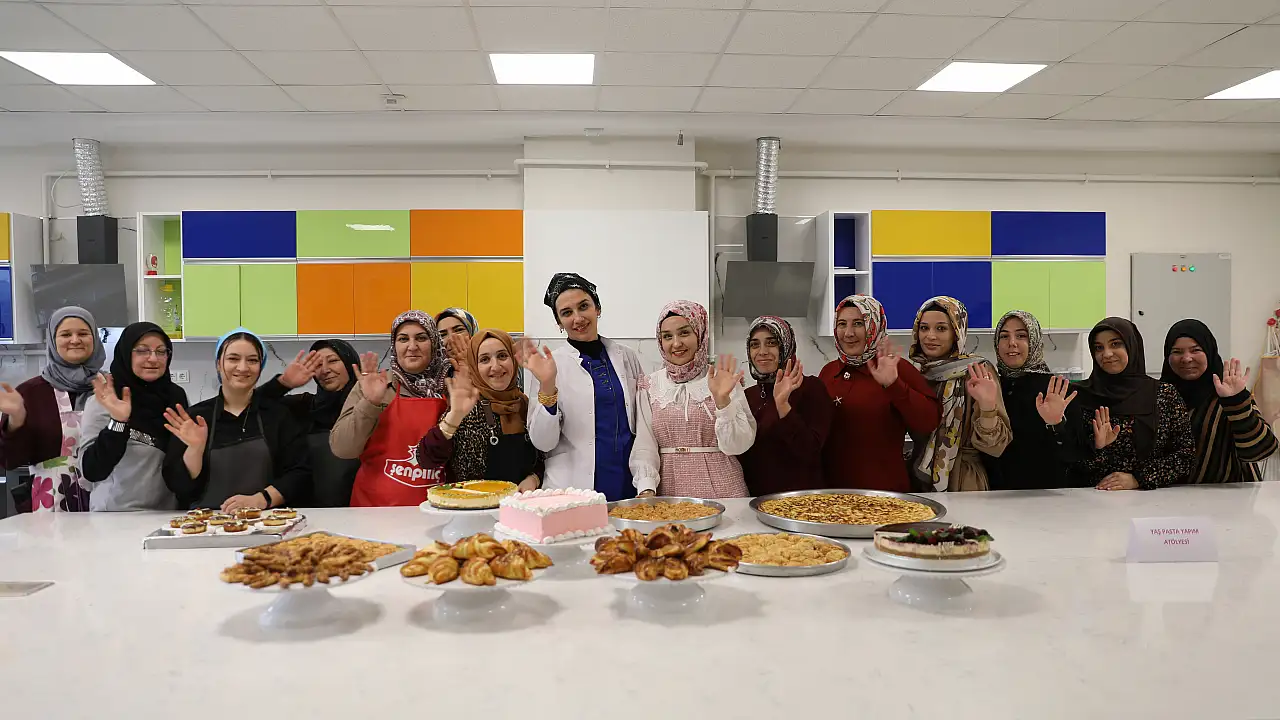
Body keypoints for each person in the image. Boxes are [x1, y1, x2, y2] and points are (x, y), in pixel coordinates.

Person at [521, 273, 644, 501]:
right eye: (566, 313)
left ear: (597, 308)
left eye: (584, 306)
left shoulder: (627, 357)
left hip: (626, 482)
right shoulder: (551, 365)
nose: (577, 318)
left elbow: (642, 423)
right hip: (571, 487)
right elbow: (543, 442)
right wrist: (548, 385)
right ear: (559, 323)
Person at [163, 329, 310, 511]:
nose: (243, 367)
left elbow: (299, 473)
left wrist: (261, 499)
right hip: (207, 522)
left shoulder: (278, 415)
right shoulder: (195, 418)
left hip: (266, 519)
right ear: (218, 364)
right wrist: (195, 449)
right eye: (233, 358)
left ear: (261, 366)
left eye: (252, 360)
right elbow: (178, 486)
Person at [630, 301, 755, 498]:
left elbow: (739, 446)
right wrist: (646, 487)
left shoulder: (723, 379)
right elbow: (645, 445)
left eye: (684, 333)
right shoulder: (650, 385)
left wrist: (722, 401)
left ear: (700, 334)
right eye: (667, 336)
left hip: (725, 489)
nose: (676, 343)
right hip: (669, 489)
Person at [821, 295, 940, 493]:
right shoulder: (828, 372)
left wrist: (894, 385)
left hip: (884, 495)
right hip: (832, 495)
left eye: (858, 323)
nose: (848, 333)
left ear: (874, 326)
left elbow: (928, 422)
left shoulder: (897, 368)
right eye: (842, 324)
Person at [331, 311, 450, 506]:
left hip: (438, 509)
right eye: (403, 339)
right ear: (394, 346)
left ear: (435, 343)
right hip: (374, 510)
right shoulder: (375, 385)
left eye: (421, 338)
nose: (412, 346)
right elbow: (343, 449)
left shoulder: (451, 388)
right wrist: (370, 403)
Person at [0, 306, 105, 513]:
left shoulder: (113, 389)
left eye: (83, 333)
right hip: (52, 506)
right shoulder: (30, 393)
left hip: (107, 501)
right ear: (52, 340)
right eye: (65, 334)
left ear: (94, 338)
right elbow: (8, 461)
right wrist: (16, 420)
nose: (75, 340)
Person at [1074, 317, 1195, 491]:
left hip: (1152, 500)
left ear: (1132, 346)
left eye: (1115, 344)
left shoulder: (1163, 394)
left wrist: (1139, 478)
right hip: (1090, 498)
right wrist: (1097, 448)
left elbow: (1186, 456)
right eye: (1099, 347)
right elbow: (1068, 462)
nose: (1106, 354)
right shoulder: (1079, 395)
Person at [77, 322, 188, 511]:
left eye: (161, 351)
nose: (153, 358)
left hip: (167, 515)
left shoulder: (176, 397)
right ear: (126, 353)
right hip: (115, 516)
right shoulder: (106, 400)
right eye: (142, 351)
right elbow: (91, 471)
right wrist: (118, 422)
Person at [908, 296, 1011, 492]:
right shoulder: (917, 375)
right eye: (924, 328)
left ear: (956, 332)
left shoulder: (977, 371)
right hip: (920, 478)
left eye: (941, 328)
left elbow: (995, 446)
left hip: (963, 482)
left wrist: (988, 408)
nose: (930, 336)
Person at [419, 329, 543, 489]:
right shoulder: (466, 405)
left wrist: (535, 478)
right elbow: (426, 460)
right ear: (474, 366)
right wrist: (454, 416)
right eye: (484, 359)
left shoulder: (525, 405)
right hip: (470, 503)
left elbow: (543, 457)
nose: (495, 366)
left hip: (518, 502)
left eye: (502, 356)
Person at [1161, 319, 1278, 483]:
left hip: (1229, 494)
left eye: (1196, 350)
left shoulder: (1228, 393)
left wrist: (1236, 403)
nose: (1186, 358)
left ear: (1209, 352)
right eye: (1177, 352)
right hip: (1170, 495)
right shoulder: (1159, 396)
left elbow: (1261, 451)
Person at [983, 310, 1087, 490]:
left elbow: (1075, 455)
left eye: (1021, 336)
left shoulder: (1056, 389)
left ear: (1035, 341)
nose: (1012, 343)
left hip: (1044, 497)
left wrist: (1056, 424)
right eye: (1004, 336)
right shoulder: (990, 387)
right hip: (994, 496)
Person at [258, 339, 362, 506]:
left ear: (351, 364)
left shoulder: (368, 409)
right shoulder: (302, 407)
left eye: (333, 361)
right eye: (318, 365)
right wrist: (283, 383)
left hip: (359, 510)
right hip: (306, 511)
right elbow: (255, 404)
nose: (325, 370)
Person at [738, 316, 832, 495]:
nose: (762, 352)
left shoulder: (811, 388)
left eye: (772, 343)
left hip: (801, 501)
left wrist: (782, 405)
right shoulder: (748, 396)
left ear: (786, 346)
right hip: (755, 501)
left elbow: (810, 451)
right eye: (755, 345)